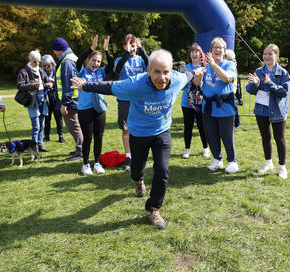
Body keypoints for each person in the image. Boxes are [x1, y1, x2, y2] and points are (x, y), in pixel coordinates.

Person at [71, 49, 204, 229]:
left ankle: (153, 208)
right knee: (136, 168)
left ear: (171, 70)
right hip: (138, 133)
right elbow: (109, 86)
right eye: (156, 71)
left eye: (166, 72)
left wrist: (197, 72)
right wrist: (85, 86)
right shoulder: (135, 84)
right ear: (148, 71)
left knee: (162, 170)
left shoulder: (178, 79)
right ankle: (138, 180)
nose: (162, 77)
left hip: (161, 132)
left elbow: (188, 75)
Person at [246, 44, 290, 179]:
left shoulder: (283, 73)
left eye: (270, 54)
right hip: (261, 110)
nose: (266, 56)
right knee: (265, 137)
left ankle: (282, 167)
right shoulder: (259, 71)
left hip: (277, 110)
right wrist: (254, 83)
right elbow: (250, 90)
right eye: (265, 54)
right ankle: (268, 162)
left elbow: (284, 91)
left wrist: (269, 83)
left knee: (279, 139)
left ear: (276, 56)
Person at [75, 35, 113, 176]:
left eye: (98, 61)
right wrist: (91, 48)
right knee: (88, 137)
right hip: (85, 110)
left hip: (99, 109)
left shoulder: (100, 72)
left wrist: (106, 51)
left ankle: (97, 163)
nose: (96, 64)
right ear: (88, 60)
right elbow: (78, 61)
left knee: (99, 136)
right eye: (94, 60)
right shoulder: (81, 71)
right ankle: (85, 165)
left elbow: (111, 66)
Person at [111, 34, 149, 170]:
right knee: (126, 129)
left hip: (140, 99)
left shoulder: (141, 59)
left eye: (133, 46)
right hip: (124, 100)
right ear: (124, 47)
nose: (131, 49)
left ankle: (140, 155)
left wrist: (142, 49)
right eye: (128, 46)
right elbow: (117, 70)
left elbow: (151, 65)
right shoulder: (120, 59)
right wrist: (126, 53)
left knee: (140, 128)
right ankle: (128, 157)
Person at [202, 37, 239, 174]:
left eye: (220, 48)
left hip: (225, 107)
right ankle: (217, 159)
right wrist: (198, 76)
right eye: (215, 47)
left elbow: (226, 78)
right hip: (209, 107)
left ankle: (232, 161)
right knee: (211, 135)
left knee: (226, 135)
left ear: (224, 51)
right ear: (211, 50)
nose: (217, 50)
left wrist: (213, 65)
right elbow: (198, 83)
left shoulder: (229, 65)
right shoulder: (206, 66)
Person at [52, 37, 84, 162]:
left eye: (55, 50)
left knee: (74, 127)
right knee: (77, 126)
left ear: (59, 49)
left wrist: (64, 103)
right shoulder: (73, 58)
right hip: (76, 99)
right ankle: (80, 149)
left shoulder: (66, 61)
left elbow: (68, 84)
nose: (54, 53)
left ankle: (80, 152)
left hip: (71, 101)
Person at [17, 50, 52, 152]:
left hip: (43, 99)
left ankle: (40, 145)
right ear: (29, 60)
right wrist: (32, 86)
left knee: (42, 124)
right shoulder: (23, 72)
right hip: (32, 101)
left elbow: (47, 81)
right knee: (36, 126)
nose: (37, 64)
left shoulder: (41, 70)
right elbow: (20, 86)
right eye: (34, 61)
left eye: (38, 62)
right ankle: (33, 147)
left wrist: (49, 84)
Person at [179, 43, 210, 159]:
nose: (194, 54)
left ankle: (206, 148)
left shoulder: (206, 67)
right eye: (192, 51)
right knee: (188, 126)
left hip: (201, 101)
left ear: (200, 54)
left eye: (196, 51)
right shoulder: (185, 68)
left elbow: (207, 84)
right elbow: (181, 87)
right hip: (186, 102)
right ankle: (187, 149)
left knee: (202, 126)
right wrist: (184, 76)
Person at [41, 54, 65, 143]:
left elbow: (62, 82)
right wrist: (45, 84)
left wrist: (53, 82)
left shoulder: (57, 71)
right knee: (47, 118)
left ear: (52, 64)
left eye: (48, 65)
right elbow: (39, 84)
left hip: (56, 97)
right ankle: (46, 136)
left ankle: (61, 136)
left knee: (58, 118)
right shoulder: (42, 73)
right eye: (44, 65)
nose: (47, 67)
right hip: (46, 98)